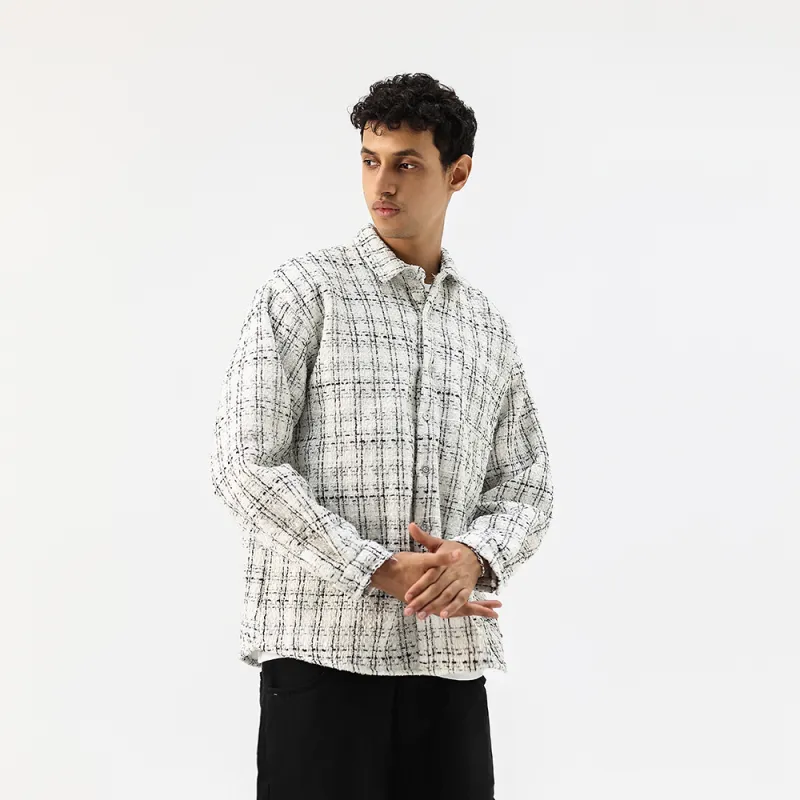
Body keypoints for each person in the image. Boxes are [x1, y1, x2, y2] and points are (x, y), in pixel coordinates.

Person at [209, 72, 555, 800]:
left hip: (447, 664)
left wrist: (476, 556)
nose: (382, 184)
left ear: (458, 173)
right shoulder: (304, 293)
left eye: (407, 163)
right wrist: (376, 567)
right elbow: (244, 466)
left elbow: (527, 484)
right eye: (370, 160)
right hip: (322, 655)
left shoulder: (484, 327)